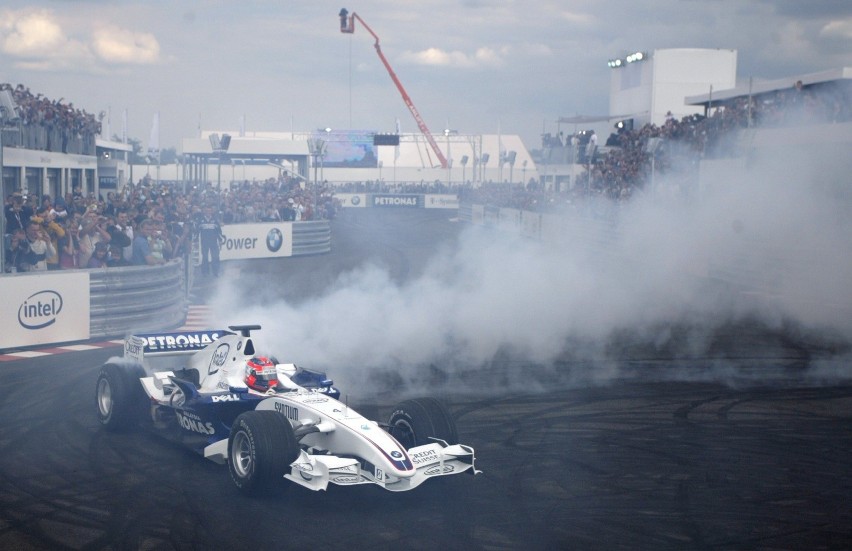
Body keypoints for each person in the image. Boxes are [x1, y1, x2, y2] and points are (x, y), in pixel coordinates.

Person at [196, 204, 224, 277]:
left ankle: (216, 272)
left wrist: (220, 240)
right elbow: (196, 231)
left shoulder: (215, 221)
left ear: (211, 212)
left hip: (213, 242)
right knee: (205, 257)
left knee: (215, 257)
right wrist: (195, 240)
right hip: (204, 242)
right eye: (207, 211)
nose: (208, 212)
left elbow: (219, 232)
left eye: (210, 211)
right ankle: (205, 272)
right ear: (204, 212)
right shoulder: (201, 221)